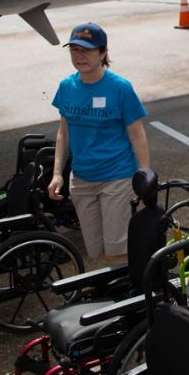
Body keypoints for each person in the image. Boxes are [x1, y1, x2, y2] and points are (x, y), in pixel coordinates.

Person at [47, 23, 150, 264]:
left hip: (116, 177)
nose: (79, 56)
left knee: (118, 248)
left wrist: (145, 174)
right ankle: (115, 287)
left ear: (103, 53)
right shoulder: (66, 87)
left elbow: (137, 134)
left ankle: (127, 294)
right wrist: (57, 174)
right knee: (95, 248)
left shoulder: (120, 88)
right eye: (74, 50)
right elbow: (64, 132)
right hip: (81, 180)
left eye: (87, 50)